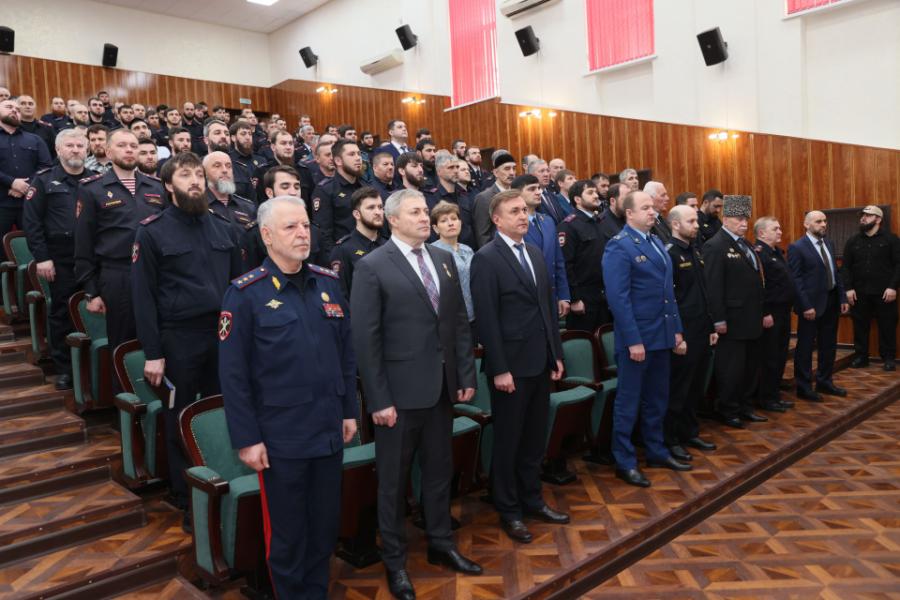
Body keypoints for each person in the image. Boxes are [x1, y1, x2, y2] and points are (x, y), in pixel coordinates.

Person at [219, 195, 357, 599]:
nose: (302, 234)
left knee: (324, 527)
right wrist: (247, 438)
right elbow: (233, 376)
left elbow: (345, 355)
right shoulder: (245, 294)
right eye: (291, 227)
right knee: (288, 536)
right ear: (266, 235)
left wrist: (349, 411)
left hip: (328, 430)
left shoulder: (327, 283)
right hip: (281, 438)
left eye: (305, 225)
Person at [351, 189, 482, 600]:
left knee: (439, 472)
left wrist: (465, 373)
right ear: (393, 220)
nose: (425, 218)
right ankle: (395, 563)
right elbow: (366, 341)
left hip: (441, 390)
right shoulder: (372, 266)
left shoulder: (442, 259)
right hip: (398, 397)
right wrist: (379, 400)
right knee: (393, 484)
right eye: (415, 212)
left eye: (426, 211)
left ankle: (441, 543)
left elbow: (458, 323)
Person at [131, 152, 242, 525]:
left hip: (222, 335)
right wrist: (153, 352)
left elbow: (240, 287)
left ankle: (224, 479)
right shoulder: (151, 231)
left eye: (198, 174)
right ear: (168, 185)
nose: (195, 181)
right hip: (178, 337)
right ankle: (185, 494)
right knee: (179, 415)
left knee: (223, 408)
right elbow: (143, 298)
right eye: (185, 175)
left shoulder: (224, 227)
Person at [471, 189, 569, 544]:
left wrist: (556, 354)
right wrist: (499, 368)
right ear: (497, 220)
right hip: (510, 367)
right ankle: (509, 510)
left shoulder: (535, 253)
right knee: (509, 441)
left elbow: (546, 308)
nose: (523, 216)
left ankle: (532, 499)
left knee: (533, 439)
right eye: (514, 211)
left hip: (539, 361)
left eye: (525, 210)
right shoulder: (486, 258)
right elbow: (487, 319)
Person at [602, 191, 689, 488]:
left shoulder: (655, 242)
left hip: (661, 335)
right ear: (629, 213)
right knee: (628, 403)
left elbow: (668, 293)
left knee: (657, 399)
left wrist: (676, 329)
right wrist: (632, 340)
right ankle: (624, 462)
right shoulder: (619, 246)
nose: (653, 212)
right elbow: (619, 299)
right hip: (637, 339)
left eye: (653, 207)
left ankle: (656, 451)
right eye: (646, 208)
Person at [74, 128, 168, 358]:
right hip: (118, 274)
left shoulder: (156, 186)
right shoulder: (92, 188)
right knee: (124, 343)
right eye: (122, 145)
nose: (129, 150)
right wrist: (91, 291)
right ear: (108, 151)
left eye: (133, 146)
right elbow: (83, 242)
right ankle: (123, 383)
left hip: (156, 273)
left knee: (160, 337)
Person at [22, 129, 89, 390]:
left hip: (92, 258)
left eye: (80, 146)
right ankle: (65, 369)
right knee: (62, 312)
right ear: (58, 150)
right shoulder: (43, 180)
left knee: (95, 309)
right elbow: (32, 223)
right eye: (70, 145)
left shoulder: (98, 181)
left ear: (87, 150)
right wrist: (42, 258)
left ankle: (92, 366)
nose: (75, 150)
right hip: (59, 258)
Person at [703, 195, 767, 428]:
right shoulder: (714, 245)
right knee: (731, 369)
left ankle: (745, 406)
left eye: (746, 219)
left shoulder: (746, 244)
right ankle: (728, 409)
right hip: (731, 320)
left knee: (749, 368)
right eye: (739, 219)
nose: (744, 223)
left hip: (751, 318)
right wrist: (718, 319)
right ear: (726, 219)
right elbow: (713, 286)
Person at [663, 205, 717, 460]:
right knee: (679, 389)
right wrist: (677, 335)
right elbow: (668, 298)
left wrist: (711, 325)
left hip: (701, 328)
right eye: (691, 221)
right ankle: (671, 438)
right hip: (682, 332)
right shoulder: (669, 254)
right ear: (675, 224)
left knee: (695, 386)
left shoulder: (695, 250)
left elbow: (704, 292)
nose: (697, 225)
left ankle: (689, 431)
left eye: (696, 221)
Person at [788, 210, 849, 401]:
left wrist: (842, 298)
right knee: (805, 348)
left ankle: (825, 381)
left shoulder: (828, 243)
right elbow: (796, 280)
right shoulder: (797, 247)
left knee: (828, 345)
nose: (823, 224)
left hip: (831, 302)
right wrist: (806, 306)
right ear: (806, 225)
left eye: (824, 221)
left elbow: (835, 273)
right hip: (810, 307)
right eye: (818, 221)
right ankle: (804, 387)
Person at [842, 205, 900, 371]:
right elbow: (846, 267)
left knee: (887, 325)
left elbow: (898, 265)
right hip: (859, 293)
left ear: (878, 219)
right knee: (860, 326)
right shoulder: (852, 241)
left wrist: (893, 287)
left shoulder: (891, 239)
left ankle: (888, 358)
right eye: (862, 215)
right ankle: (861, 357)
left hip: (885, 293)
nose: (863, 218)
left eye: (868, 215)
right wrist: (848, 288)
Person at [0, 98, 53, 258]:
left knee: (35, 249)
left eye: (17, 109)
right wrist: (12, 183)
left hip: (30, 203)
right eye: (9, 106)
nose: (14, 110)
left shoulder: (35, 139)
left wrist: (26, 185)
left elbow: (46, 166)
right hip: (1, 202)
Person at [753, 216, 796, 412]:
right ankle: (766, 398)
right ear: (762, 233)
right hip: (771, 313)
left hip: (783, 311)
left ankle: (774, 394)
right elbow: (759, 287)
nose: (780, 232)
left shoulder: (776, 252)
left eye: (779, 228)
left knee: (779, 356)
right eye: (775, 229)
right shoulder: (759, 254)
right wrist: (765, 312)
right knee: (769, 357)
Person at [514, 174, 571, 315]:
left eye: (539, 188)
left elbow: (558, 261)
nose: (538, 192)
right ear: (517, 193)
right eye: (532, 189)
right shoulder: (513, 225)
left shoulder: (548, 221)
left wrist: (563, 295)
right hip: (528, 299)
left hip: (552, 295)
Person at [558, 180, 609, 332]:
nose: (596, 196)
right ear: (577, 199)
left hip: (604, 295)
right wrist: (574, 299)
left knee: (606, 340)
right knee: (586, 341)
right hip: (584, 298)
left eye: (596, 192)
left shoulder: (600, 221)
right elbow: (566, 265)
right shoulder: (568, 225)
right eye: (590, 192)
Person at [328, 186, 386, 298]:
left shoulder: (388, 245)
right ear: (356, 214)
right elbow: (341, 294)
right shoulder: (343, 250)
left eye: (380, 207)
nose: (378, 212)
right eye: (371, 208)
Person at [311, 139, 364, 254]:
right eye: (352, 154)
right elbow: (324, 232)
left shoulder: (365, 186)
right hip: (344, 254)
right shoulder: (325, 190)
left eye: (359, 154)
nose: (358, 158)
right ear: (338, 161)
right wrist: (334, 258)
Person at [430, 200, 475, 324]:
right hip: (451, 318)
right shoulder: (432, 251)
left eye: (454, 219)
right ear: (435, 228)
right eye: (444, 221)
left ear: (460, 222)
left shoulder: (468, 249)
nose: (450, 223)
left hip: (475, 313)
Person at [472, 153, 516, 248]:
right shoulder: (484, 198)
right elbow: (482, 235)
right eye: (507, 169)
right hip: (498, 250)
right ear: (496, 173)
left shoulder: (517, 195)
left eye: (514, 168)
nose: (512, 173)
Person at [228, 120, 266, 200]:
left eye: (250, 134)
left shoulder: (261, 160)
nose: (248, 137)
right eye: (243, 134)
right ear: (233, 138)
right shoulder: (228, 161)